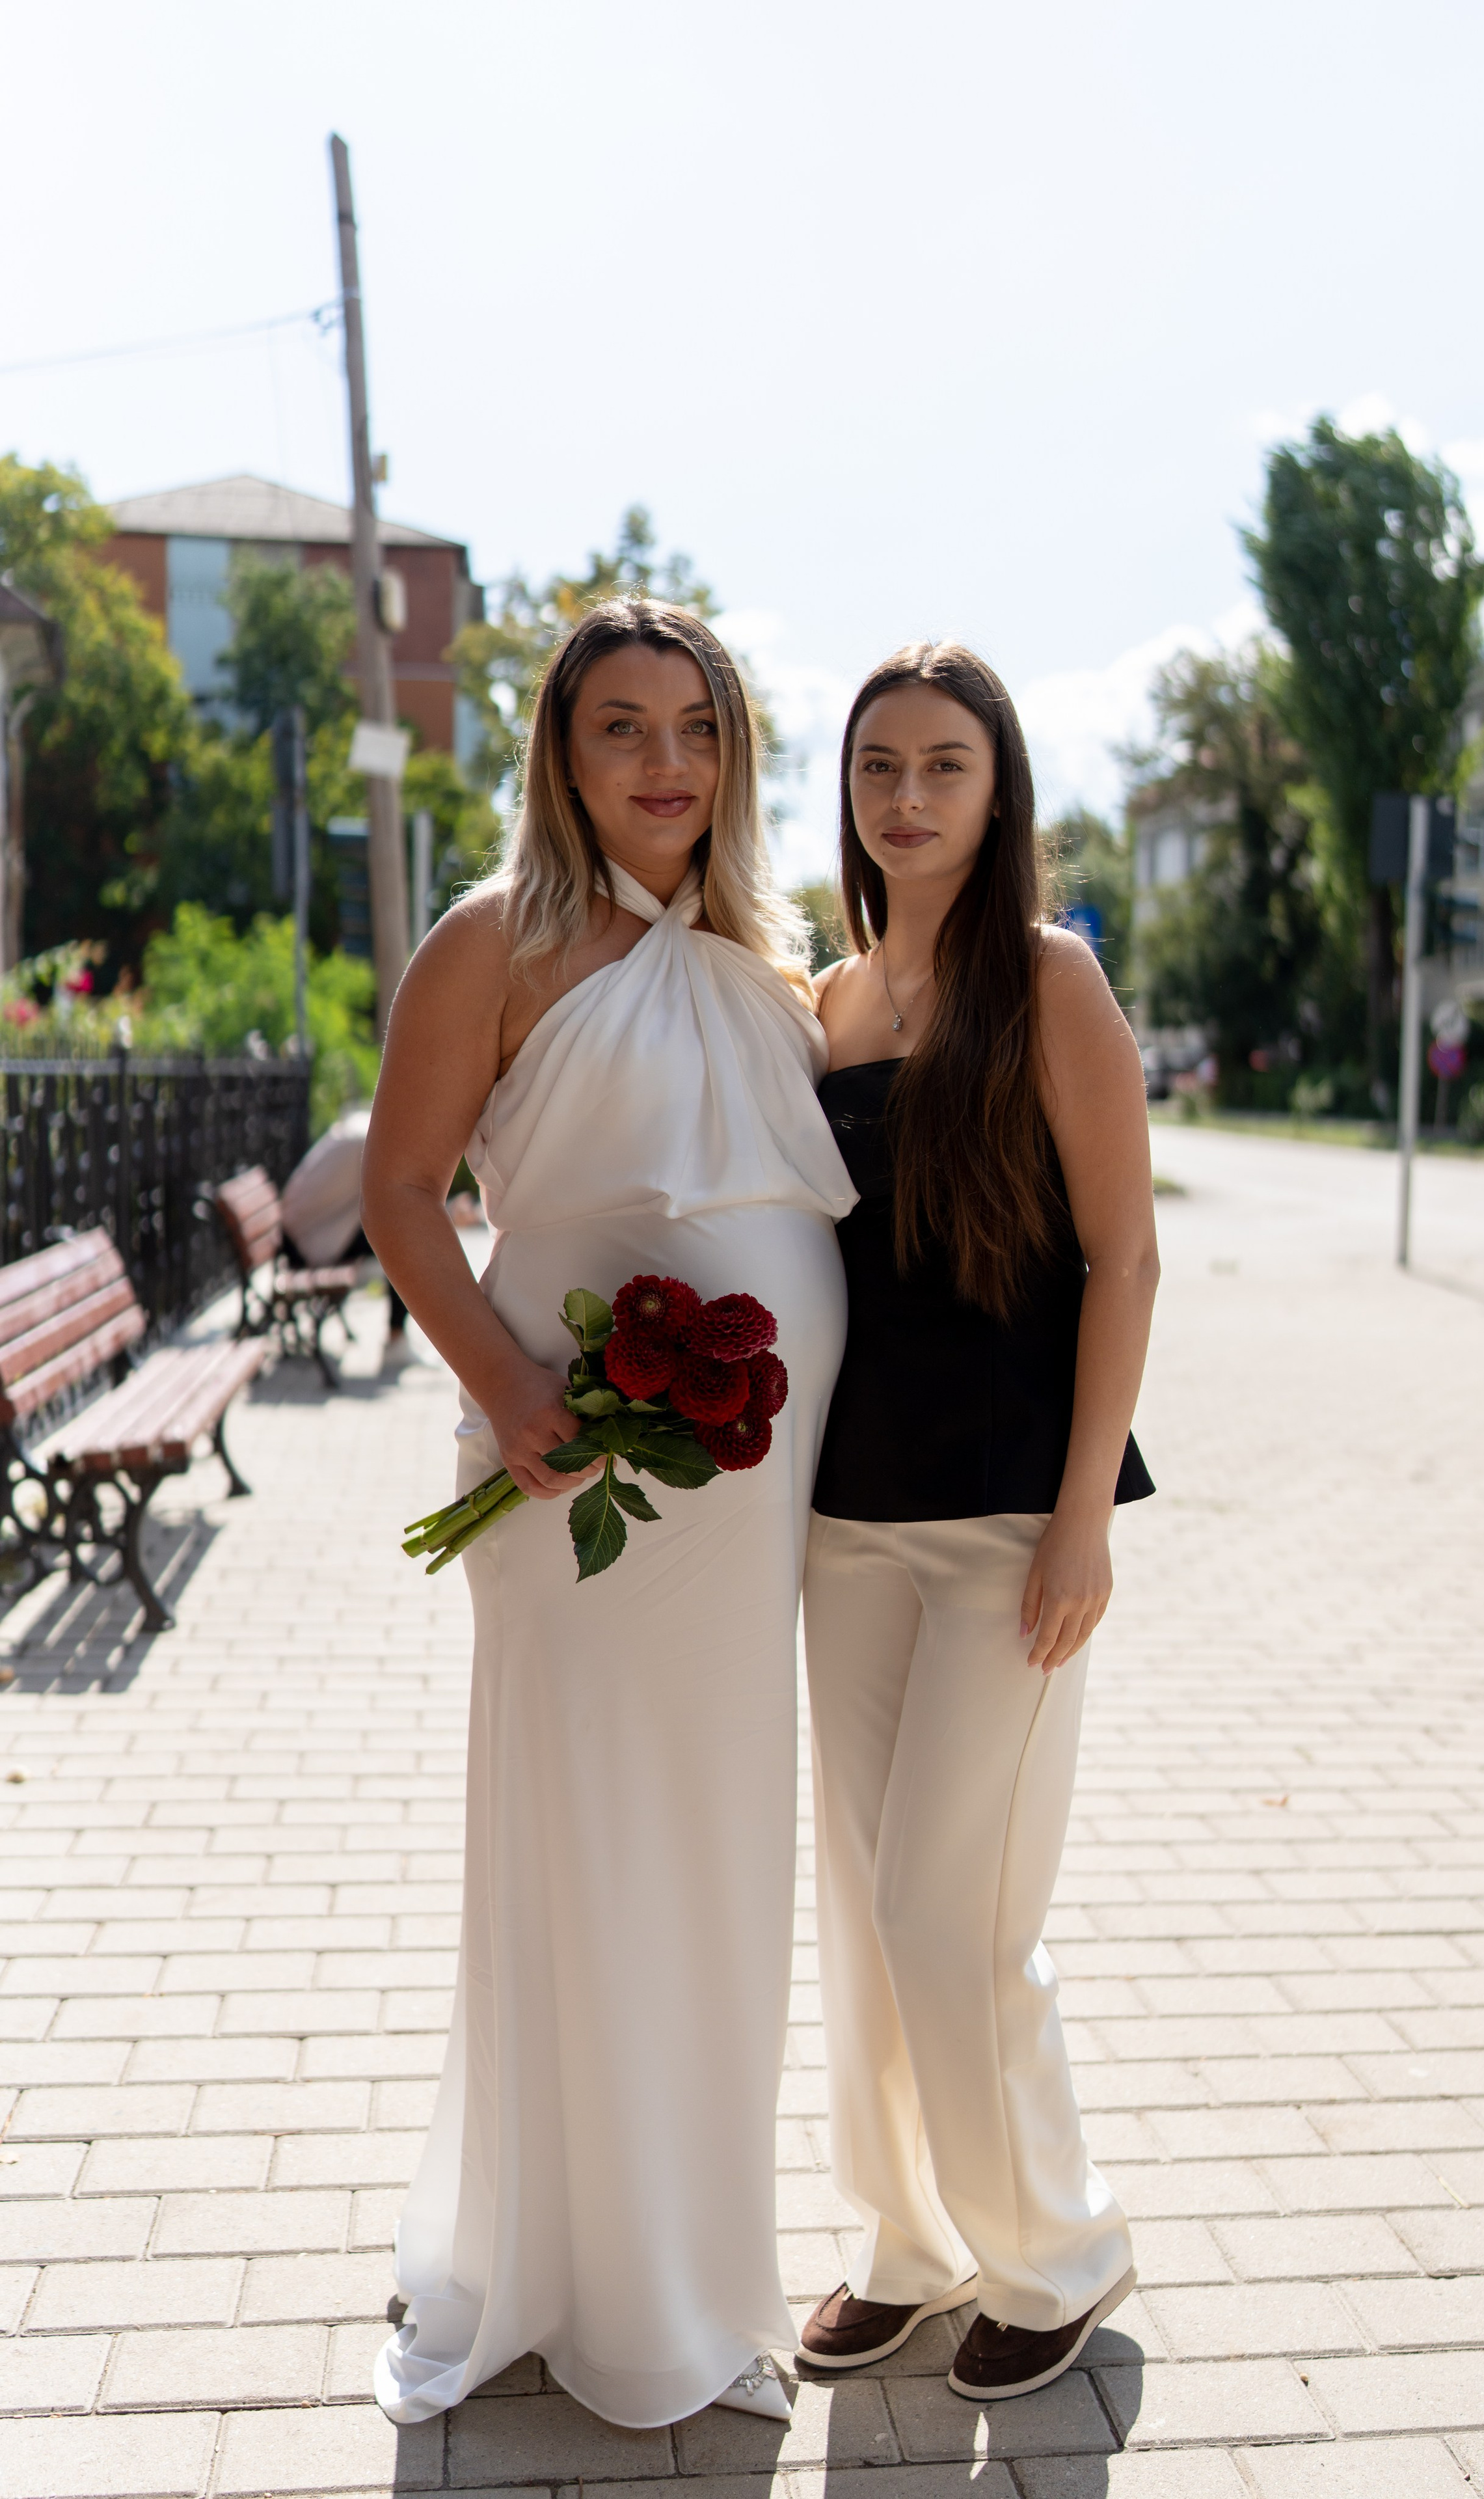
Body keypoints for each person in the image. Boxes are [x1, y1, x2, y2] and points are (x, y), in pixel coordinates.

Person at [361, 601, 855, 2429]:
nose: (665, 763)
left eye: (697, 728)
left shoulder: (764, 957)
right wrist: (511, 1391)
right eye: (622, 728)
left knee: (718, 1859)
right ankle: (576, 2279)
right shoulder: (492, 940)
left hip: (742, 1515)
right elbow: (402, 1192)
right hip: (568, 1477)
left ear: (735, 756)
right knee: (588, 1852)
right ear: (560, 757)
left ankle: (696, 2277)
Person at [796, 642, 1159, 2403]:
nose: (908, 793)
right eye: (878, 764)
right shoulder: (827, 1001)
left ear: (998, 785)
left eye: (943, 762)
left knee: (953, 1911)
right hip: (847, 1515)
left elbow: (1125, 1256)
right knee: (864, 1914)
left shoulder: (1049, 977)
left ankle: (1054, 2252)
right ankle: (908, 2244)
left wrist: (1086, 1514)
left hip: (1013, 1515)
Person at [279, 1105, 407, 1341]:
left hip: (301, 1232)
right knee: (403, 1243)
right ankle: (397, 1338)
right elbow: (395, 1202)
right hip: (309, 1241)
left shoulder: (364, 1127)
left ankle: (397, 1335)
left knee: (401, 1237)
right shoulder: (370, 1142)